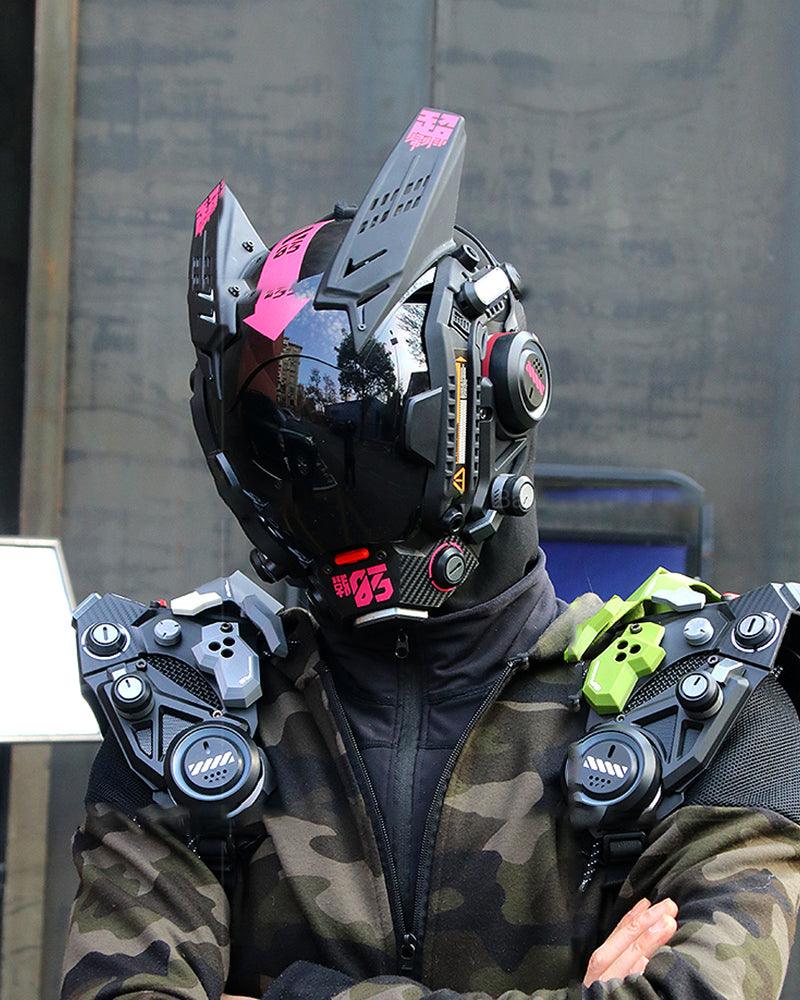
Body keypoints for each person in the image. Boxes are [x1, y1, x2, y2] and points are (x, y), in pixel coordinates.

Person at [60, 109, 800, 1000]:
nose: (327, 484)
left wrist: (296, 993)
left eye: (363, 436)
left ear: (502, 396)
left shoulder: (703, 710)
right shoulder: (183, 717)